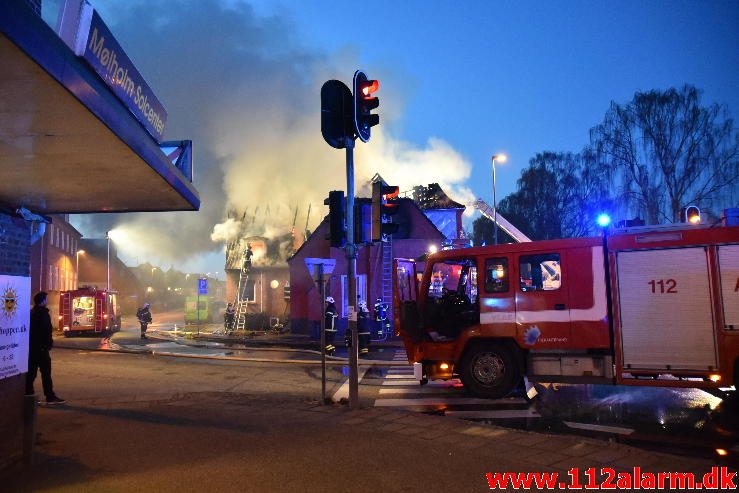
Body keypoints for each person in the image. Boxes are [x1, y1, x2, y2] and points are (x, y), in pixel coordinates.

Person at [25, 291, 65, 405]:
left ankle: (29, 394)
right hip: (41, 349)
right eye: (45, 299)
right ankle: (50, 396)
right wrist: (48, 344)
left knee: (31, 373)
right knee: (46, 373)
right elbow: (46, 331)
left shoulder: (32, 312)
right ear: (42, 301)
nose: (47, 301)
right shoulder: (43, 314)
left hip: (32, 348)